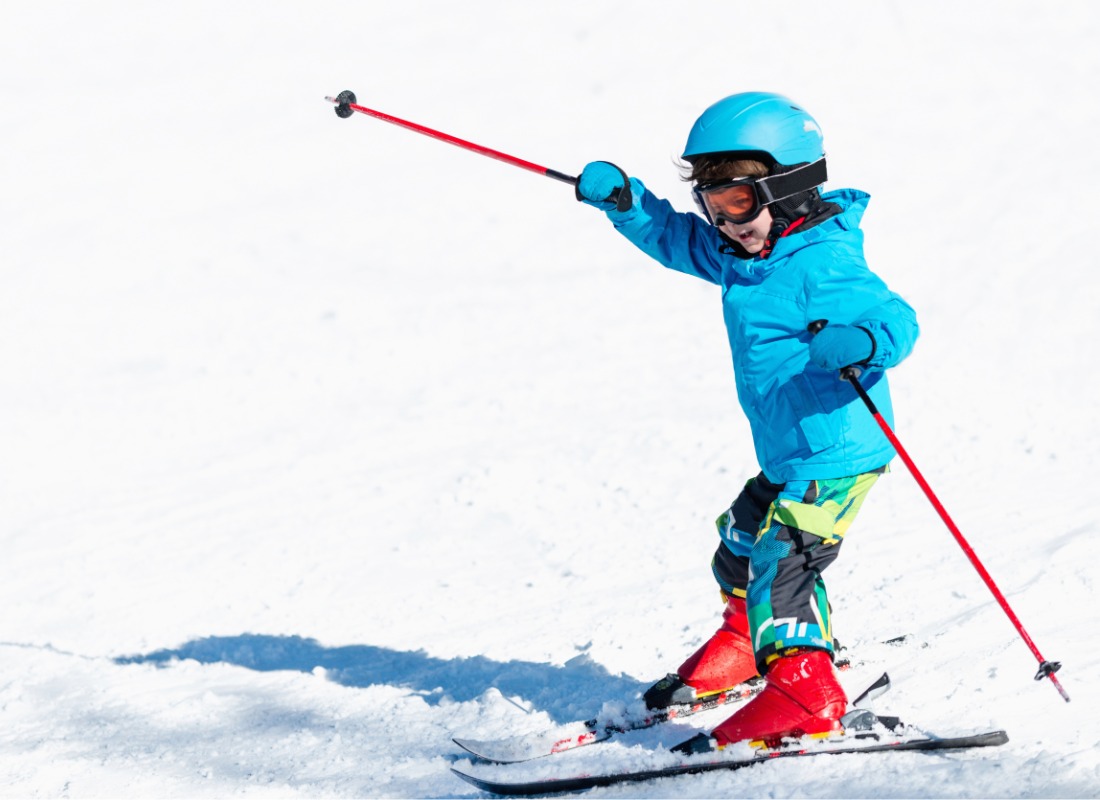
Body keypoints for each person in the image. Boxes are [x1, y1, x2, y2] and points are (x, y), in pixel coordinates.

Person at [575, 91, 919, 750]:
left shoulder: (822, 263)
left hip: (837, 454)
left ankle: (805, 692)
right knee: (738, 543)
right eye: (713, 205)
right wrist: (628, 205)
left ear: (789, 189)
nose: (725, 223)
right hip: (790, 450)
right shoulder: (747, 256)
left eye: (736, 202)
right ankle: (743, 643)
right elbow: (677, 240)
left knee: (782, 560)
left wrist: (865, 343)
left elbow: (897, 318)